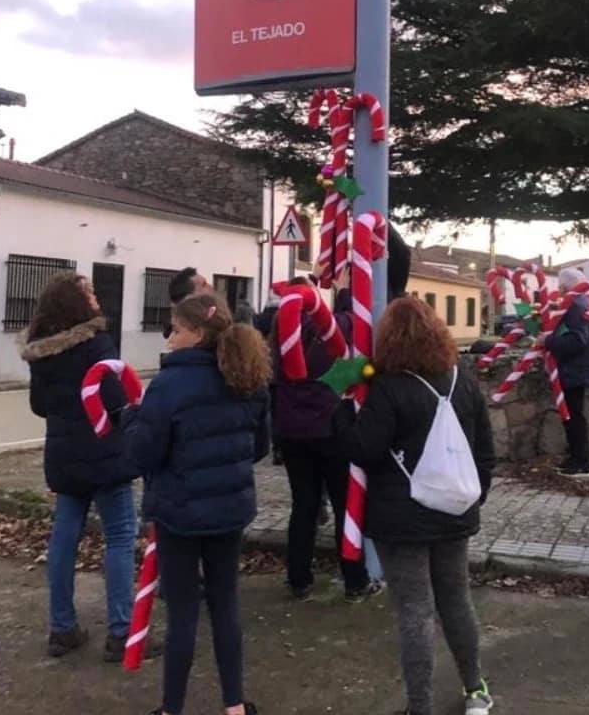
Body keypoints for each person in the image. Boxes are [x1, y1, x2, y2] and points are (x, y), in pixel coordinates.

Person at [334, 295, 495, 715]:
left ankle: (419, 706)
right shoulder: (465, 381)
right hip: (456, 511)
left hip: (401, 519)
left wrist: (340, 403)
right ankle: (476, 690)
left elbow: (363, 449)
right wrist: (473, 496)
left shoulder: (389, 389)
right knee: (457, 600)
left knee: (415, 610)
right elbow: (485, 451)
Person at [123, 293, 270, 715]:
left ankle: (172, 708)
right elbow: (258, 445)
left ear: (197, 332)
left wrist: (130, 419)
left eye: (176, 328)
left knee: (184, 613)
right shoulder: (248, 378)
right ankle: (235, 705)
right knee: (226, 605)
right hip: (229, 511)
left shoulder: (168, 385)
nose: (169, 336)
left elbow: (142, 455)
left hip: (179, 513)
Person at [22, 272, 141, 662]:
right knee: (121, 536)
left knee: (64, 538)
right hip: (105, 453)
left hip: (64, 456)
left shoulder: (41, 352)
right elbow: (114, 397)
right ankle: (122, 632)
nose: (95, 296)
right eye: (87, 291)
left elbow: (39, 406)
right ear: (74, 303)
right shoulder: (97, 343)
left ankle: (61, 627)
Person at [272, 264, 376, 602]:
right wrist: (345, 289)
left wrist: (312, 281)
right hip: (331, 429)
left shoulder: (278, 330)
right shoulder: (328, 329)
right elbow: (349, 321)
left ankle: (298, 577)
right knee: (346, 504)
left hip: (292, 431)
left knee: (304, 504)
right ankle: (354, 578)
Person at [544, 267, 589, 479]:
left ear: (563, 286)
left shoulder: (575, 306)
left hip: (575, 369)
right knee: (571, 415)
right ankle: (576, 458)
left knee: (573, 416)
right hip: (578, 368)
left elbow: (577, 340)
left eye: (559, 286)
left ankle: (581, 462)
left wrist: (548, 341)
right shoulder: (581, 303)